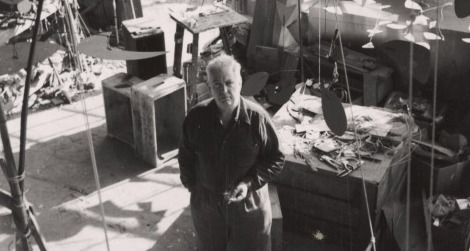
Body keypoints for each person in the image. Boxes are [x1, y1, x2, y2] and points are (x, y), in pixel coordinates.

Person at [178, 54, 285, 251]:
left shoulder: (258, 119)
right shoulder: (195, 118)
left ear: (240, 82)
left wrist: (249, 182)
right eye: (216, 85)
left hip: (249, 205)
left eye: (229, 83)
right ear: (209, 87)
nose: (224, 90)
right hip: (207, 207)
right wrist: (194, 187)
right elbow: (185, 156)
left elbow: (276, 158)